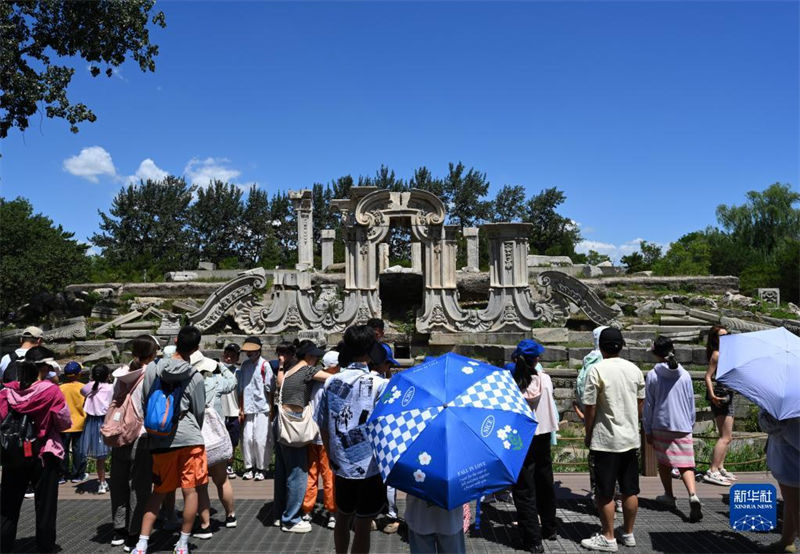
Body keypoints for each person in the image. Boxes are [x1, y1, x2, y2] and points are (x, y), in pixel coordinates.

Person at [315, 325, 389, 554]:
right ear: (370, 350)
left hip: (341, 464)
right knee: (364, 525)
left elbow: (323, 425)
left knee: (341, 519)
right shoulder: (380, 385)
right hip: (370, 467)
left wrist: (332, 455)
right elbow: (384, 428)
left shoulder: (331, 382)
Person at [135, 326, 207, 554]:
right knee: (190, 491)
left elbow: (146, 400)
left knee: (159, 491)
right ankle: (183, 544)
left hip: (161, 439)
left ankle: (142, 543)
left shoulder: (153, 368)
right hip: (190, 438)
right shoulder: (194, 375)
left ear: (176, 341)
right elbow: (199, 411)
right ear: (196, 348)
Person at [581, 327, 645, 552]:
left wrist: (589, 433)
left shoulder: (596, 370)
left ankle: (608, 536)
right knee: (630, 489)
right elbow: (640, 404)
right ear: (622, 345)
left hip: (605, 439)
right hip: (630, 438)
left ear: (600, 347)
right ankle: (628, 533)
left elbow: (590, 407)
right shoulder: (634, 369)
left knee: (605, 491)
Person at [0, 359, 72, 553]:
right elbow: (64, 422)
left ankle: (4, 545)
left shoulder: (5, 394)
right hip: (43, 452)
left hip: (13, 455)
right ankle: (45, 546)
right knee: (45, 505)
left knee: (8, 505)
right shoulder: (50, 391)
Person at [274, 340, 332, 533]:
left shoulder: (289, 371)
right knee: (298, 474)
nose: (317, 361)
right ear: (309, 357)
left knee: (282, 473)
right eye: (316, 357)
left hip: (281, 423)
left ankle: (280, 514)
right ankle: (291, 519)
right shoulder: (307, 370)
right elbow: (332, 379)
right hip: (295, 425)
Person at [643, 336, 703, 523]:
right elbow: (690, 401)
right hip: (682, 424)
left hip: (661, 423)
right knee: (686, 464)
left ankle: (669, 495)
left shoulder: (653, 375)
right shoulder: (685, 375)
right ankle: (692, 494)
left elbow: (649, 404)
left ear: (655, 353)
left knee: (664, 461)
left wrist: (647, 428)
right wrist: (690, 422)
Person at [109, 335, 158, 550]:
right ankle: (134, 533)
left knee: (119, 482)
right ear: (152, 353)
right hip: (142, 435)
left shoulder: (121, 373)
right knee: (140, 487)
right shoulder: (152, 373)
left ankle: (118, 530)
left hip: (119, 433)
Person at [511, 339, 557, 553]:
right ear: (536, 358)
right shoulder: (545, 379)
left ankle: (532, 539)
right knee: (545, 482)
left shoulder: (512, 383)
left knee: (524, 488)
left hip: (522, 437)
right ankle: (549, 527)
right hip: (543, 434)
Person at [194, 355, 238, 538]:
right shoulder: (217, 382)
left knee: (200, 485)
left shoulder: (189, 384)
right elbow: (233, 381)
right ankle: (231, 516)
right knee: (222, 480)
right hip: (216, 440)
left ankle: (205, 525)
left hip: (196, 439)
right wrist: (220, 365)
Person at [302, 349, 340, 529]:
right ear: (332, 367)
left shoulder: (315, 383)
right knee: (328, 476)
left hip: (311, 435)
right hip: (325, 438)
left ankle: (307, 510)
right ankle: (332, 512)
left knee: (311, 474)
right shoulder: (332, 383)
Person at [369, 342, 401, 534]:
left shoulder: (359, 379)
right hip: (385, 437)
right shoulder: (385, 384)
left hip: (363, 439)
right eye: (388, 364)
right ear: (381, 364)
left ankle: (369, 514)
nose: (389, 368)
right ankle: (391, 515)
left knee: (369, 478)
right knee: (389, 479)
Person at [758, 412, 800, 553]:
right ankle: (787, 541)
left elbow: (771, 424)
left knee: (796, 508)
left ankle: (787, 541)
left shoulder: (783, 404)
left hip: (789, 462)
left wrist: (763, 413)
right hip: (790, 459)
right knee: (791, 504)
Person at [237, 336, 273, 481]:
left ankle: (262, 468)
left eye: (252, 351)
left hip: (263, 407)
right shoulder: (245, 366)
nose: (249, 354)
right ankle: (249, 467)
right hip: (248, 407)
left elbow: (270, 388)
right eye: (248, 351)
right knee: (246, 439)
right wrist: (241, 407)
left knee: (260, 439)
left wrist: (271, 408)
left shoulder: (265, 365)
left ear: (259, 350)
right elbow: (241, 388)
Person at [704, 325, 736, 486]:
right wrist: (711, 394)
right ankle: (713, 470)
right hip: (721, 394)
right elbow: (708, 376)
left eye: (727, 335)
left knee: (727, 436)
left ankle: (720, 466)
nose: (725, 338)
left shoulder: (727, 353)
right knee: (726, 436)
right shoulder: (717, 354)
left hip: (728, 393)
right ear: (715, 339)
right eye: (721, 336)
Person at [79, 364, 113, 494]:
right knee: (114, 453)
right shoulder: (110, 387)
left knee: (100, 457)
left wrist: (92, 381)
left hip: (92, 422)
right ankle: (111, 480)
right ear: (108, 375)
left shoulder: (89, 387)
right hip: (107, 421)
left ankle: (102, 482)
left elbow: (82, 391)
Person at [59, 360, 88, 484]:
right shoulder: (83, 387)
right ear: (79, 374)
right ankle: (78, 474)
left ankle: (62, 475)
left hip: (64, 424)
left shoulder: (60, 388)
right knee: (79, 450)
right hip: (80, 422)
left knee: (63, 450)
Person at [219, 344, 241, 479]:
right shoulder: (216, 369)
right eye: (227, 354)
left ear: (237, 357)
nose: (229, 358)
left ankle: (229, 465)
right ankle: (218, 465)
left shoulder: (238, 372)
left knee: (232, 441)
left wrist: (241, 410)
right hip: (219, 411)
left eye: (232, 355)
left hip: (234, 410)